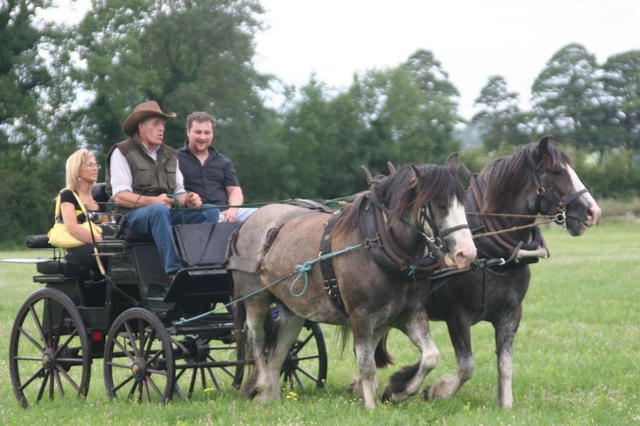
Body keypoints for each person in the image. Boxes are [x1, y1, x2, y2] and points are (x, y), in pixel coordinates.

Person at [105, 101, 219, 280]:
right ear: (141, 127)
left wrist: (189, 199)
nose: (161, 129)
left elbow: (179, 191)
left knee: (210, 212)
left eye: (163, 124)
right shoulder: (122, 152)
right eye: (156, 124)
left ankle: (206, 266)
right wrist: (153, 201)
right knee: (159, 210)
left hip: (165, 212)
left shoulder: (170, 154)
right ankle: (174, 272)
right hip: (130, 218)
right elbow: (120, 196)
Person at [177, 111, 256, 222]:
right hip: (195, 214)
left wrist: (232, 210)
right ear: (188, 132)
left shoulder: (224, 162)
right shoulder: (174, 158)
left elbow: (235, 190)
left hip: (226, 212)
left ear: (212, 134)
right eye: (198, 132)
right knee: (211, 213)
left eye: (207, 132)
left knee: (262, 214)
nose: (203, 137)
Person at [58, 148, 108, 275]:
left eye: (96, 165)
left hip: (98, 246)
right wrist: (100, 241)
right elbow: (72, 227)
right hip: (76, 249)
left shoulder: (99, 197)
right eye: (90, 165)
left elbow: (106, 226)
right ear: (77, 171)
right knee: (109, 254)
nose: (95, 168)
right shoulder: (68, 195)